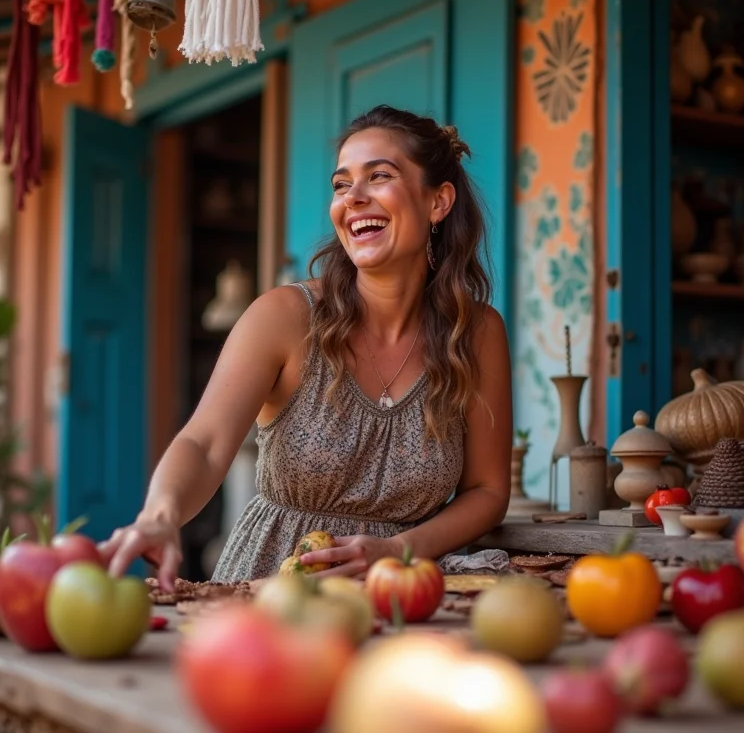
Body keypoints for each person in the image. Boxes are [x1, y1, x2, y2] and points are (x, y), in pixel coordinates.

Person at [99, 105, 513, 590]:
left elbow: (487, 491)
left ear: (438, 202)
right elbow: (205, 443)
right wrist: (161, 515)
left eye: (379, 177)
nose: (353, 198)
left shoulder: (476, 332)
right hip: (269, 592)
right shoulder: (285, 317)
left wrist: (397, 550)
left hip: (400, 594)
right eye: (341, 185)